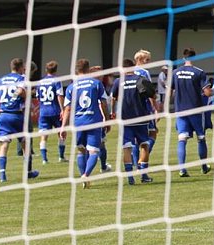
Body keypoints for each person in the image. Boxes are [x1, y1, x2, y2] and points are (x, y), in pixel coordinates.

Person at [0, 58, 40, 182]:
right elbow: (21, 91)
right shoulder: (21, 79)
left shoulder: (1, 79)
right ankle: (28, 172)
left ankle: (2, 175)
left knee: (4, 145)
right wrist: (25, 94)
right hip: (17, 115)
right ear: (20, 67)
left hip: (3, 115)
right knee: (25, 145)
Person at [62, 59, 109, 188]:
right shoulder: (96, 83)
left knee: (81, 151)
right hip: (94, 121)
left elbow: (68, 108)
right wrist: (107, 118)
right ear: (88, 69)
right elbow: (104, 103)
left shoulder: (71, 87)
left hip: (78, 122)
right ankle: (86, 175)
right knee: (93, 151)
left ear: (76, 70)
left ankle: (83, 175)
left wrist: (63, 127)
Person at [167, 48, 213, 177]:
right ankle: (204, 166)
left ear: (183, 58)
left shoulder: (175, 72)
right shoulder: (199, 72)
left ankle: (182, 169)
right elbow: (207, 93)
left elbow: (169, 92)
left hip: (180, 110)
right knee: (201, 137)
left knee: (182, 138)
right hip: (196, 110)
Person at [110, 59, 155, 185]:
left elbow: (113, 98)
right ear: (133, 67)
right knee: (144, 145)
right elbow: (152, 95)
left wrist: (113, 112)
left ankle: (130, 176)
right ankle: (143, 174)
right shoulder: (140, 79)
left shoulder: (118, 81)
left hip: (125, 119)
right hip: (141, 117)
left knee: (127, 148)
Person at [37, 61, 66, 164]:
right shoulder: (57, 80)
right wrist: (63, 109)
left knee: (44, 136)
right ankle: (61, 157)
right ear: (56, 70)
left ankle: (44, 159)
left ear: (46, 70)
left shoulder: (40, 82)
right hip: (55, 110)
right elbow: (59, 95)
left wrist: (40, 106)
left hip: (43, 112)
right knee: (61, 133)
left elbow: (38, 97)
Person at [133, 50, 159, 152]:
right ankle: (144, 157)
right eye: (147, 60)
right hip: (145, 107)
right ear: (139, 59)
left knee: (135, 137)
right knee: (153, 132)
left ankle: (136, 162)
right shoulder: (144, 72)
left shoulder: (129, 71)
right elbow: (150, 92)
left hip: (132, 107)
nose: (148, 62)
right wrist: (155, 108)